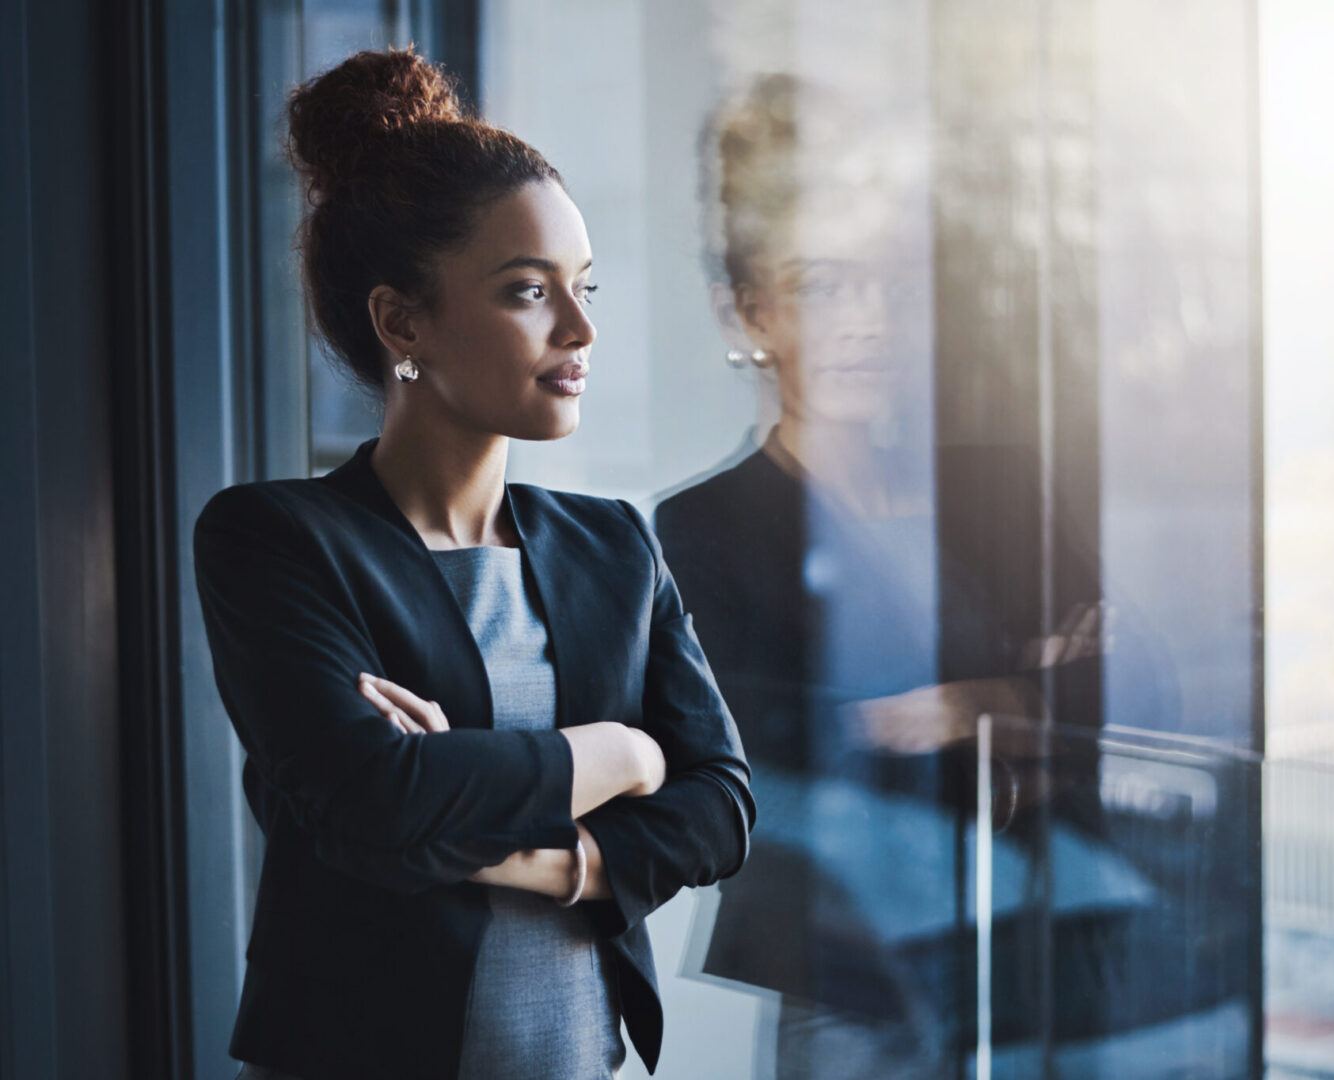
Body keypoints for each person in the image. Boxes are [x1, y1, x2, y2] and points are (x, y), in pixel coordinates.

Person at [192, 46, 753, 1080]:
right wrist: (622, 755)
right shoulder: (274, 539)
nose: (580, 328)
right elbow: (374, 802)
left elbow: (719, 804)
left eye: (583, 287)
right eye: (528, 291)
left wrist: (546, 859)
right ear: (403, 321)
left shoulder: (614, 546)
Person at [654, 74, 1187, 1078]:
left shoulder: (993, 484)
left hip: (1045, 944)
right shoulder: (701, 529)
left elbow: (1138, 677)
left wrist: (964, 705)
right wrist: (1029, 702)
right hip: (856, 979)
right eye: (819, 285)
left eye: (884, 285)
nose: (864, 321)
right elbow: (771, 757)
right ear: (750, 312)